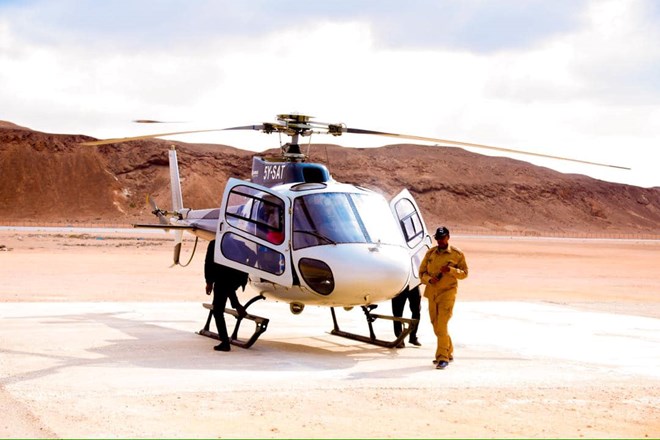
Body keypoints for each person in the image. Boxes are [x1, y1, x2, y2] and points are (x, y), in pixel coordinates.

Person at [419, 226, 468, 369]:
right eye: (437, 238)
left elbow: (465, 274)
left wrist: (451, 270)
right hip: (432, 293)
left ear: (448, 237)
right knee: (436, 326)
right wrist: (429, 280)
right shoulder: (430, 253)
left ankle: (442, 358)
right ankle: (448, 350)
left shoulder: (457, 254)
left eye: (442, 238)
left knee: (442, 325)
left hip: (447, 293)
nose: (440, 241)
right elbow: (421, 273)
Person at [204, 240, 248, 352]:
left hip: (223, 279)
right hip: (235, 279)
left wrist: (209, 282)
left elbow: (208, 263)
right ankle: (237, 305)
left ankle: (225, 343)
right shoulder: (239, 243)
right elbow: (252, 254)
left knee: (218, 311)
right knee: (225, 288)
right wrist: (245, 271)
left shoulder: (214, 243)